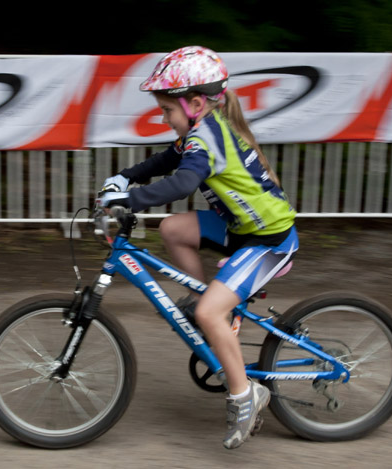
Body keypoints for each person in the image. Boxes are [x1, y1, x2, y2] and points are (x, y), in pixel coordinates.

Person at [98, 46, 298, 449]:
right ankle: (203, 302)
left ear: (194, 103)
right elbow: (165, 161)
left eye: (166, 110)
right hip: (241, 229)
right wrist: (123, 177)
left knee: (210, 312)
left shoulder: (205, 138)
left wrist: (129, 200)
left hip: (270, 240)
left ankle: (245, 395)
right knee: (173, 228)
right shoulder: (201, 129)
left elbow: (183, 183)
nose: (162, 117)